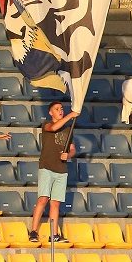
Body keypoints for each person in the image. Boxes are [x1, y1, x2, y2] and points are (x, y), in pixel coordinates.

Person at [30, 102, 79, 243]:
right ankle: (33, 231)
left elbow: (72, 149)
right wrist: (71, 115)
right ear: (51, 112)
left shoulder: (68, 129)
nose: (60, 111)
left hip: (61, 169)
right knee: (43, 199)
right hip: (47, 167)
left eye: (62, 109)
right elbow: (53, 128)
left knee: (55, 203)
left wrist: (68, 155)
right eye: (57, 109)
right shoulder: (46, 124)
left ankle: (54, 234)